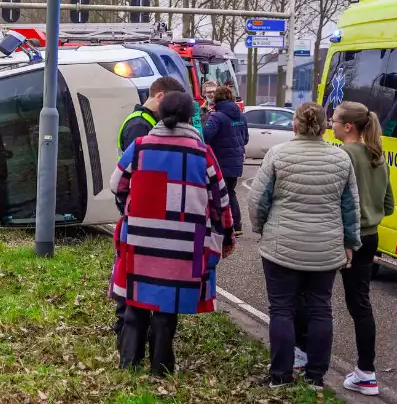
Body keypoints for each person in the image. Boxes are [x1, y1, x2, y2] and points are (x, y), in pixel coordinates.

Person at [109, 91, 235, 376]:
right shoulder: (203, 153)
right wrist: (225, 237)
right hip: (183, 244)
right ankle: (161, 368)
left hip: (139, 239)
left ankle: (129, 363)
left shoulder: (140, 147)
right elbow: (221, 201)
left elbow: (117, 184)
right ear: (191, 117)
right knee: (167, 306)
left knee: (134, 302)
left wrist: (130, 207)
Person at [250, 102, 361, 388]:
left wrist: (261, 228)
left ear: (295, 125)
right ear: (325, 126)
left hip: (281, 246)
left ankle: (280, 376)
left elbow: (258, 200)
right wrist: (350, 241)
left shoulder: (278, 154)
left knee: (282, 309)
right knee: (320, 309)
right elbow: (350, 206)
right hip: (326, 248)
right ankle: (315, 377)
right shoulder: (340, 159)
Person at [112, 76, 187, 340]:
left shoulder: (144, 122)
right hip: (142, 212)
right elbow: (134, 174)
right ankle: (126, 330)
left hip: (144, 210)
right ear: (159, 97)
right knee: (135, 274)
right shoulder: (140, 127)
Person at [331, 101, 396, 395]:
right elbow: (389, 205)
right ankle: (366, 372)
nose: (330, 124)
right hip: (371, 238)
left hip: (344, 237)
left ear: (348, 127)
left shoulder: (343, 155)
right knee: (361, 303)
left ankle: (304, 356)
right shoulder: (378, 156)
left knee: (314, 296)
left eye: (334, 120)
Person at [202, 85, 249, 237]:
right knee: (230, 192)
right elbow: (246, 139)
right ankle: (237, 224)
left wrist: (206, 118)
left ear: (216, 98)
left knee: (218, 193)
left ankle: (223, 226)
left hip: (219, 161)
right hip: (235, 162)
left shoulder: (216, 117)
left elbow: (205, 136)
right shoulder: (241, 116)